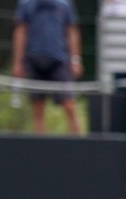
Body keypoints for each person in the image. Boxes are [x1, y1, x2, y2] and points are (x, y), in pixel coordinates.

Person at [12, 0, 83, 134]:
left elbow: (72, 32)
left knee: (69, 105)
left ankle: (78, 145)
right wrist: (18, 63)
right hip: (34, 61)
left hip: (59, 60)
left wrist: (75, 60)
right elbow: (20, 32)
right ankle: (40, 149)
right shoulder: (25, 4)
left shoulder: (64, 4)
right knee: (37, 109)